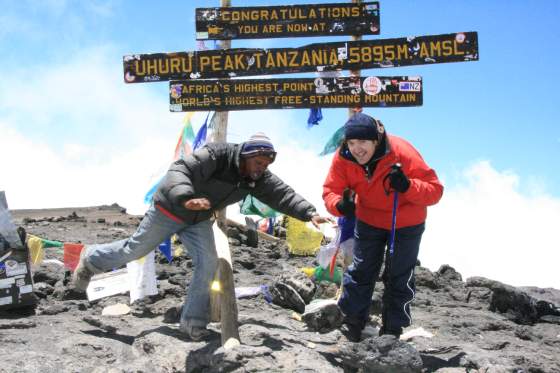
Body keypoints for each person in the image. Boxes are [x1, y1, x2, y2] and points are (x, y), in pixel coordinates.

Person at [73, 132, 329, 340]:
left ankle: (192, 322)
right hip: (171, 209)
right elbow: (180, 169)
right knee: (135, 250)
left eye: (266, 165)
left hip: (198, 221)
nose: (262, 169)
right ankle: (91, 259)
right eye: (259, 163)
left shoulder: (258, 178)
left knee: (208, 263)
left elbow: (283, 195)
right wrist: (187, 198)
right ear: (246, 155)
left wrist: (310, 213)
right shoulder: (217, 155)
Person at [322, 113, 443, 342]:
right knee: (361, 271)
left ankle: (392, 330)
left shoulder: (401, 152)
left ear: (375, 141)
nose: (357, 149)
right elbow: (331, 190)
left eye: (363, 142)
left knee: (399, 275)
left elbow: (435, 190)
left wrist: (408, 186)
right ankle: (352, 322)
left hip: (406, 222)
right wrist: (339, 205)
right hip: (369, 219)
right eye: (352, 142)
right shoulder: (343, 157)